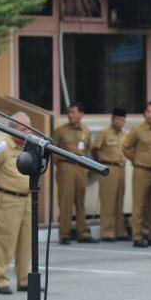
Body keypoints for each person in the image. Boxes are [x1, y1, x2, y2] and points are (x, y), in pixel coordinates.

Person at [0, 113, 34, 293]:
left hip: (27, 200)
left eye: (30, 127)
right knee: (4, 242)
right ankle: (1, 279)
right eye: (23, 128)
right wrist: (1, 189)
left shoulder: (30, 147)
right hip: (6, 200)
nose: (28, 131)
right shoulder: (2, 146)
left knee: (26, 242)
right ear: (12, 129)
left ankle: (24, 279)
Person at [124, 100, 151, 247]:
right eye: (149, 112)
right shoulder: (137, 130)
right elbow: (126, 148)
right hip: (142, 171)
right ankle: (137, 236)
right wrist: (136, 161)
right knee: (139, 205)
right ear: (144, 113)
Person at [53, 102, 93, 243]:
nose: (70, 115)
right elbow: (53, 151)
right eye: (69, 112)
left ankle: (83, 233)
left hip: (81, 167)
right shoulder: (60, 131)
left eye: (73, 112)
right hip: (66, 167)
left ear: (81, 114)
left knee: (80, 201)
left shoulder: (86, 131)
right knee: (66, 201)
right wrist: (62, 165)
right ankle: (64, 234)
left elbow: (87, 149)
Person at [92, 107, 127, 241]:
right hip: (108, 167)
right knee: (108, 201)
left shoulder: (125, 134)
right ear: (113, 119)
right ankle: (107, 231)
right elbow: (95, 149)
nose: (120, 122)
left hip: (121, 168)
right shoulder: (104, 133)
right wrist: (100, 163)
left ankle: (120, 231)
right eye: (118, 119)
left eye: (123, 120)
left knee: (119, 200)